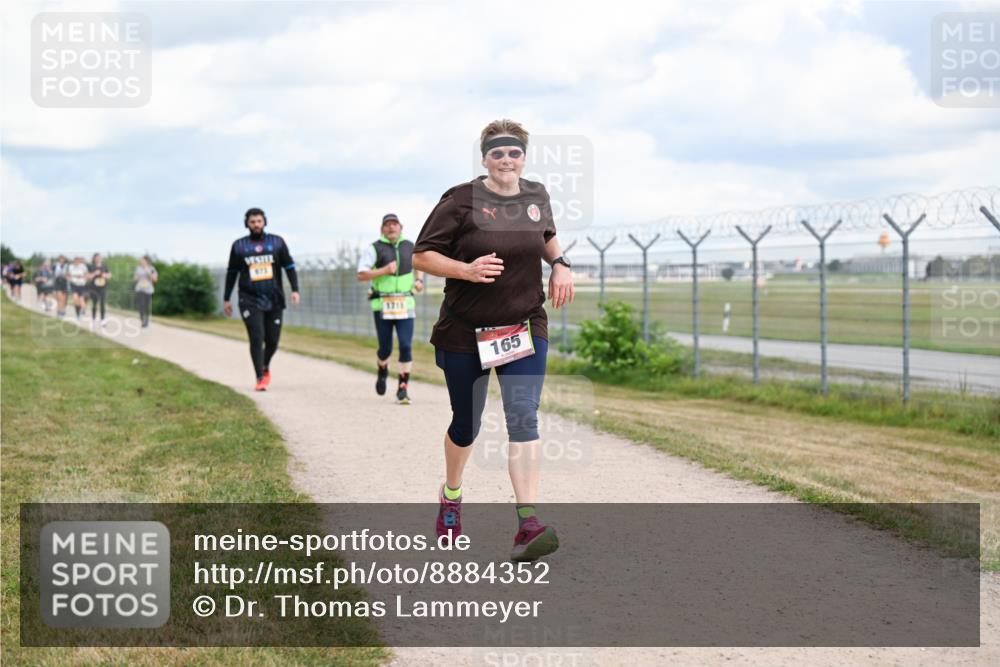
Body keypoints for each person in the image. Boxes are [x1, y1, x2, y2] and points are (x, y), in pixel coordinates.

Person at [413, 119, 574, 562]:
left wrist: (560, 264)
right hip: (466, 331)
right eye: (498, 153)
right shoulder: (460, 200)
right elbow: (422, 255)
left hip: (523, 324)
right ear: (485, 158)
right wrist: (465, 270)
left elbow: (546, 235)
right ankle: (451, 495)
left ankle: (528, 524)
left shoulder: (536, 195)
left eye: (514, 153)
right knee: (467, 426)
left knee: (523, 417)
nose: (507, 160)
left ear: (524, 156)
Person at [223, 208, 300, 391]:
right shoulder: (239, 246)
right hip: (249, 298)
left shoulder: (277, 242)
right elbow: (232, 273)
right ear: (247, 224)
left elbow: (289, 267)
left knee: (272, 340)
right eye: (252, 222)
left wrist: (295, 289)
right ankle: (259, 376)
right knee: (257, 337)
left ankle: (265, 366)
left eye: (259, 221)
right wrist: (227, 298)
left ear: (264, 222)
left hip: (274, 298)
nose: (256, 225)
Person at [356, 213, 425, 404]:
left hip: (405, 304)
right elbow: (361, 275)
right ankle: (382, 369)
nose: (391, 228)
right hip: (382, 306)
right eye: (387, 225)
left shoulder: (410, 246)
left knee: (405, 346)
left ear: (401, 227)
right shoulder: (374, 248)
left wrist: (419, 280)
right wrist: (384, 271)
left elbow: (419, 264)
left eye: (395, 224)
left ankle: (403, 388)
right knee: (385, 349)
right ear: (382, 229)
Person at [133, 256, 158, 327]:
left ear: (147, 261)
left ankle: (146, 321)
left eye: (142, 260)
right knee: (141, 305)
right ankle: (142, 318)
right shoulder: (138, 268)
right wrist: (136, 277)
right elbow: (134, 278)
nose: (141, 261)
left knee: (147, 306)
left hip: (148, 289)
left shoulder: (152, 268)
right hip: (140, 288)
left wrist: (148, 272)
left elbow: (155, 279)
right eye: (141, 260)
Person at [88, 253, 112, 325]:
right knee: (94, 303)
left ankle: (102, 319)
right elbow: (88, 277)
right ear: (94, 259)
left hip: (103, 287)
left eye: (99, 257)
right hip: (94, 288)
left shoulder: (104, 266)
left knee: (102, 303)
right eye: (97, 257)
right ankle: (93, 319)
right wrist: (95, 273)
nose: (98, 259)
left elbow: (110, 275)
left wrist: (105, 275)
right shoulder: (91, 266)